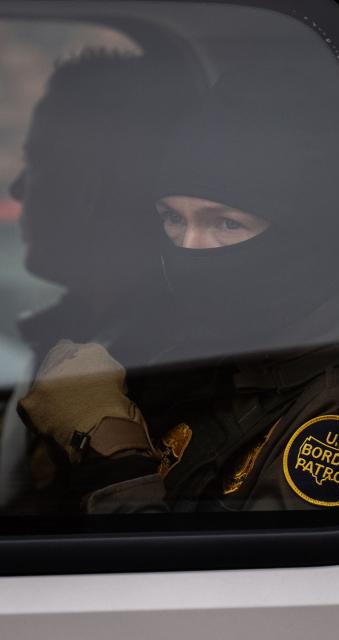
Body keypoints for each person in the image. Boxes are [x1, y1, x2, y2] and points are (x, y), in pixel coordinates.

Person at [16, 64, 339, 513]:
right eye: (172, 218)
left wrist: (109, 450)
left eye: (226, 223)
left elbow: (227, 580)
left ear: (308, 235)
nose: (188, 250)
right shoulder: (203, 352)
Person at [1, 47, 203, 510]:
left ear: (87, 188)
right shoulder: (73, 330)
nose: (16, 189)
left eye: (35, 163)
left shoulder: (153, 373)